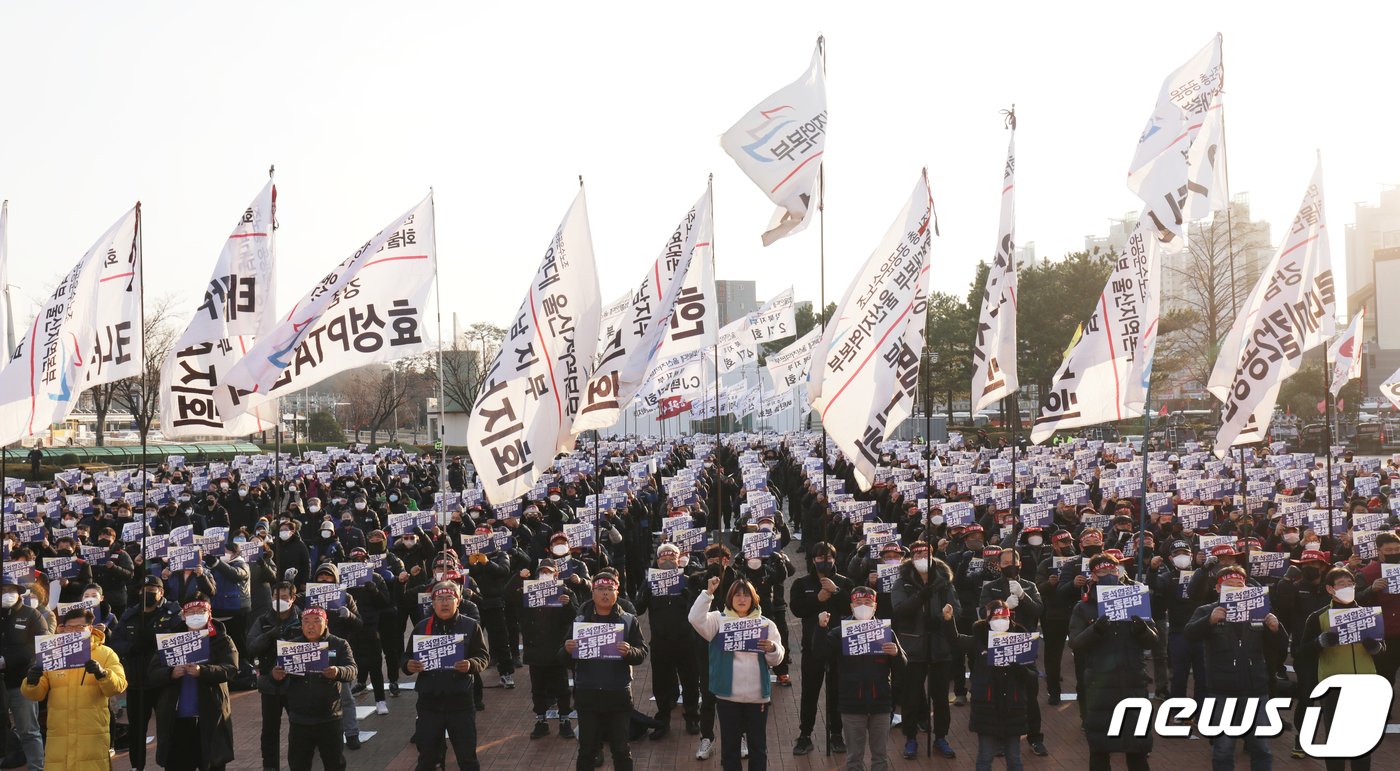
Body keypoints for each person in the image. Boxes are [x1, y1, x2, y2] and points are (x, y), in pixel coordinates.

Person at [1183, 565, 1287, 771]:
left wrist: (1277, 628)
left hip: (1256, 689)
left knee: (1261, 748)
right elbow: (1188, 634)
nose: (1236, 589)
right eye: (1229, 586)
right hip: (1221, 690)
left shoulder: (1260, 610)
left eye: (1240, 585)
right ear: (1218, 589)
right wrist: (1209, 621)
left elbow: (1281, 646)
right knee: (1223, 748)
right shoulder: (1207, 610)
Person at [1067, 554, 1157, 771]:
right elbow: (1076, 643)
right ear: (1093, 576)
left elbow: (1153, 640)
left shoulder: (1136, 600)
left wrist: (1141, 628)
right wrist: (1095, 629)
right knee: (1100, 750)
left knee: (1137, 751)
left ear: (1120, 573)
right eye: (1102, 572)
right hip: (1100, 687)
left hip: (1133, 682)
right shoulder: (1083, 607)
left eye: (1112, 571)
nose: (1108, 575)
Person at [688, 575, 784, 771]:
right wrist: (708, 594)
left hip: (758, 698)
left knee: (758, 748)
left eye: (746, 595)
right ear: (730, 598)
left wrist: (772, 648)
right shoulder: (717, 619)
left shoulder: (766, 624)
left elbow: (777, 658)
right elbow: (695, 619)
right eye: (737, 595)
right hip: (727, 696)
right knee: (730, 749)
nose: (741, 599)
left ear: (753, 599)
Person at [1297, 567, 1385, 771]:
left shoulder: (1368, 613)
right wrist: (1320, 642)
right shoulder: (1318, 617)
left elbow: (1382, 650)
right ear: (1330, 589)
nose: (1347, 587)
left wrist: (1376, 648)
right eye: (1341, 584)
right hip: (1334, 685)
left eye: (1350, 583)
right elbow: (1301, 652)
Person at [20, 605, 128, 770]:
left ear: (90, 628)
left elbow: (119, 686)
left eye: (80, 627)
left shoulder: (105, 653)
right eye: (69, 627)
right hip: (59, 735)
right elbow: (36, 694)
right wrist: (31, 682)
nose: (73, 631)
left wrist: (103, 674)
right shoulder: (52, 652)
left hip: (91, 734)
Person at [563, 571, 648, 771]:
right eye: (600, 589)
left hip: (618, 695)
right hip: (588, 695)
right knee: (587, 750)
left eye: (610, 589)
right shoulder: (581, 620)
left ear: (617, 593)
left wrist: (630, 651)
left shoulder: (628, 620)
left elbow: (642, 652)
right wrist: (566, 650)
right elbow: (565, 659)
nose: (605, 594)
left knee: (621, 749)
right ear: (592, 592)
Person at [402, 580, 491, 771]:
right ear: (432, 603)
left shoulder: (470, 626)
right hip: (429, 704)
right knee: (428, 759)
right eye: (439, 598)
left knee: (467, 758)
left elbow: (483, 657)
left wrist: (471, 664)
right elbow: (406, 658)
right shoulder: (422, 627)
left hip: (461, 703)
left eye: (449, 598)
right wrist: (408, 665)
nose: (444, 603)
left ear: (458, 601)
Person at [815, 585, 905, 771]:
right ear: (851, 606)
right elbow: (820, 655)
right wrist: (821, 629)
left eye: (867, 602)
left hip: (881, 702)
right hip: (851, 703)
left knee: (880, 757)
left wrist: (896, 654)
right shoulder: (839, 632)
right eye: (858, 602)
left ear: (875, 606)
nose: (863, 606)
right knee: (854, 758)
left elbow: (903, 667)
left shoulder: (886, 632)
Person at [147, 597, 239, 771]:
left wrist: (203, 671)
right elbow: (153, 672)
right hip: (177, 722)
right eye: (191, 612)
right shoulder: (170, 640)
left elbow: (231, 669)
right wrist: (170, 673)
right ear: (183, 615)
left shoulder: (222, 639)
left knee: (212, 763)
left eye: (200, 612)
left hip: (211, 719)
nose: (196, 616)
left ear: (209, 614)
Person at [890, 540, 959, 759]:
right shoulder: (903, 582)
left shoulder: (944, 581)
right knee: (911, 696)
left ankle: (941, 736)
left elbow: (955, 607)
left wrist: (940, 619)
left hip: (939, 647)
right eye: (917, 555)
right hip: (913, 647)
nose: (922, 558)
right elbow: (900, 609)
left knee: (940, 697)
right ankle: (910, 737)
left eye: (925, 554)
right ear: (911, 558)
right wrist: (921, 595)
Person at [109, 574, 183, 771]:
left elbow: (180, 639)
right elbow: (115, 643)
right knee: (137, 730)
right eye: (144, 590)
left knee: (168, 728)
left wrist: (155, 639)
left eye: (152, 591)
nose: (148, 594)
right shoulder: (130, 615)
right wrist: (132, 646)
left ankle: (171, 763)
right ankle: (137, 766)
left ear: (161, 593)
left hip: (164, 681)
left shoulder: (173, 613)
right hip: (137, 681)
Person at [273, 606, 357, 771]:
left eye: (316, 621)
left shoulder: (339, 644)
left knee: (335, 764)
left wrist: (338, 671)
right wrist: (275, 675)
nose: (310, 626)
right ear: (301, 625)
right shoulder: (292, 647)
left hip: (330, 718)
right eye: (306, 622)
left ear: (326, 623)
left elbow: (352, 670)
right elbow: (278, 676)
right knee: (298, 765)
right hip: (299, 720)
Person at [789, 541, 853, 756]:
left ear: (834, 559)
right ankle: (805, 735)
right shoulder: (801, 583)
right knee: (809, 692)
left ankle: (836, 733)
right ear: (812, 559)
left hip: (838, 647)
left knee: (836, 692)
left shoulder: (845, 582)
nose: (823, 561)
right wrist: (818, 599)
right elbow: (798, 609)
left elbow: (851, 608)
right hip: (813, 646)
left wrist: (835, 592)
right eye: (819, 558)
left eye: (828, 558)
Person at [957, 601, 1036, 771]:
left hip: (1013, 708)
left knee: (1014, 758)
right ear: (988, 619)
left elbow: (1032, 676)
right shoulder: (979, 639)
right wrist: (948, 621)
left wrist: (1018, 668)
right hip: (987, 708)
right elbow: (956, 640)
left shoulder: (1020, 640)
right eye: (996, 617)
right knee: (985, 757)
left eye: (1004, 617)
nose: (1001, 620)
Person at [507, 558, 579, 740]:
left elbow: (575, 616)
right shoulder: (527, 591)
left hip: (556, 650)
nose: (545, 575)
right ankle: (541, 721)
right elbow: (507, 596)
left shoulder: (564, 591)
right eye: (542, 572)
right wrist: (518, 577)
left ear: (556, 574)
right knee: (537, 689)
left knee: (562, 688)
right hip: (535, 649)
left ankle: (564, 720)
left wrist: (567, 603)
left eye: (549, 572)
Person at [635, 542, 700, 741]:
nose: (667, 560)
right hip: (661, 641)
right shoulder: (649, 582)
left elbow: (698, 609)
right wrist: (647, 589)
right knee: (661, 683)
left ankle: (692, 717)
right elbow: (638, 608)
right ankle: (663, 720)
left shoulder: (688, 581)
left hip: (685, 640)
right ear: (657, 560)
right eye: (663, 557)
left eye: (671, 557)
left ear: (678, 559)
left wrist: (686, 593)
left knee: (690, 680)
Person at [249, 581, 303, 771]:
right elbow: (251, 646)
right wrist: (270, 635)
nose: (279, 601)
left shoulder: (303, 618)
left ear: (293, 598)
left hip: (296, 683)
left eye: (284, 597)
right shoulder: (263, 620)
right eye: (275, 597)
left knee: (299, 728)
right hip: (270, 684)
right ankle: (270, 766)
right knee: (270, 730)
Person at [0, 578, 51, 771]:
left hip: (22, 682)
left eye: (10, 589)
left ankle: (37, 767)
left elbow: (39, 645)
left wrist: (7, 661)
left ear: (19, 592)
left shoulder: (32, 615)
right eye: (3, 589)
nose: (7, 593)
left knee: (29, 730)